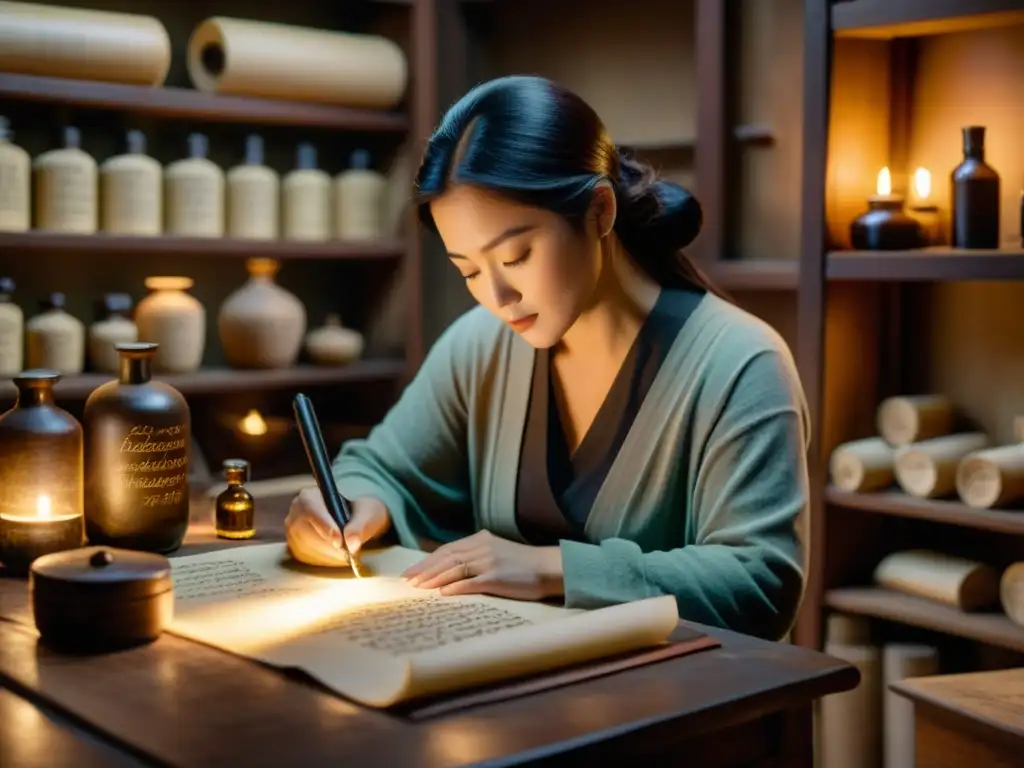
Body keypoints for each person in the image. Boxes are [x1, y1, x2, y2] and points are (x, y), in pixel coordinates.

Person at [285, 75, 810, 641]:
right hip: (517, 698)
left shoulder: (739, 363)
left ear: (600, 212)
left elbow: (761, 583)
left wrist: (551, 569)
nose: (497, 296)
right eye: (468, 270)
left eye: (516, 256)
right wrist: (348, 507)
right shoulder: (481, 345)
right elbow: (381, 467)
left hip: (674, 706)